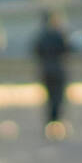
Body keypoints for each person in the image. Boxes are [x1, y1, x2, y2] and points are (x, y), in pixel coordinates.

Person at [32, 8, 72, 140]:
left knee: (50, 98)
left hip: (46, 70)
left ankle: (51, 123)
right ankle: (56, 124)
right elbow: (67, 49)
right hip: (57, 69)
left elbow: (36, 51)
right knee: (57, 98)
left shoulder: (42, 36)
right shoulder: (58, 35)